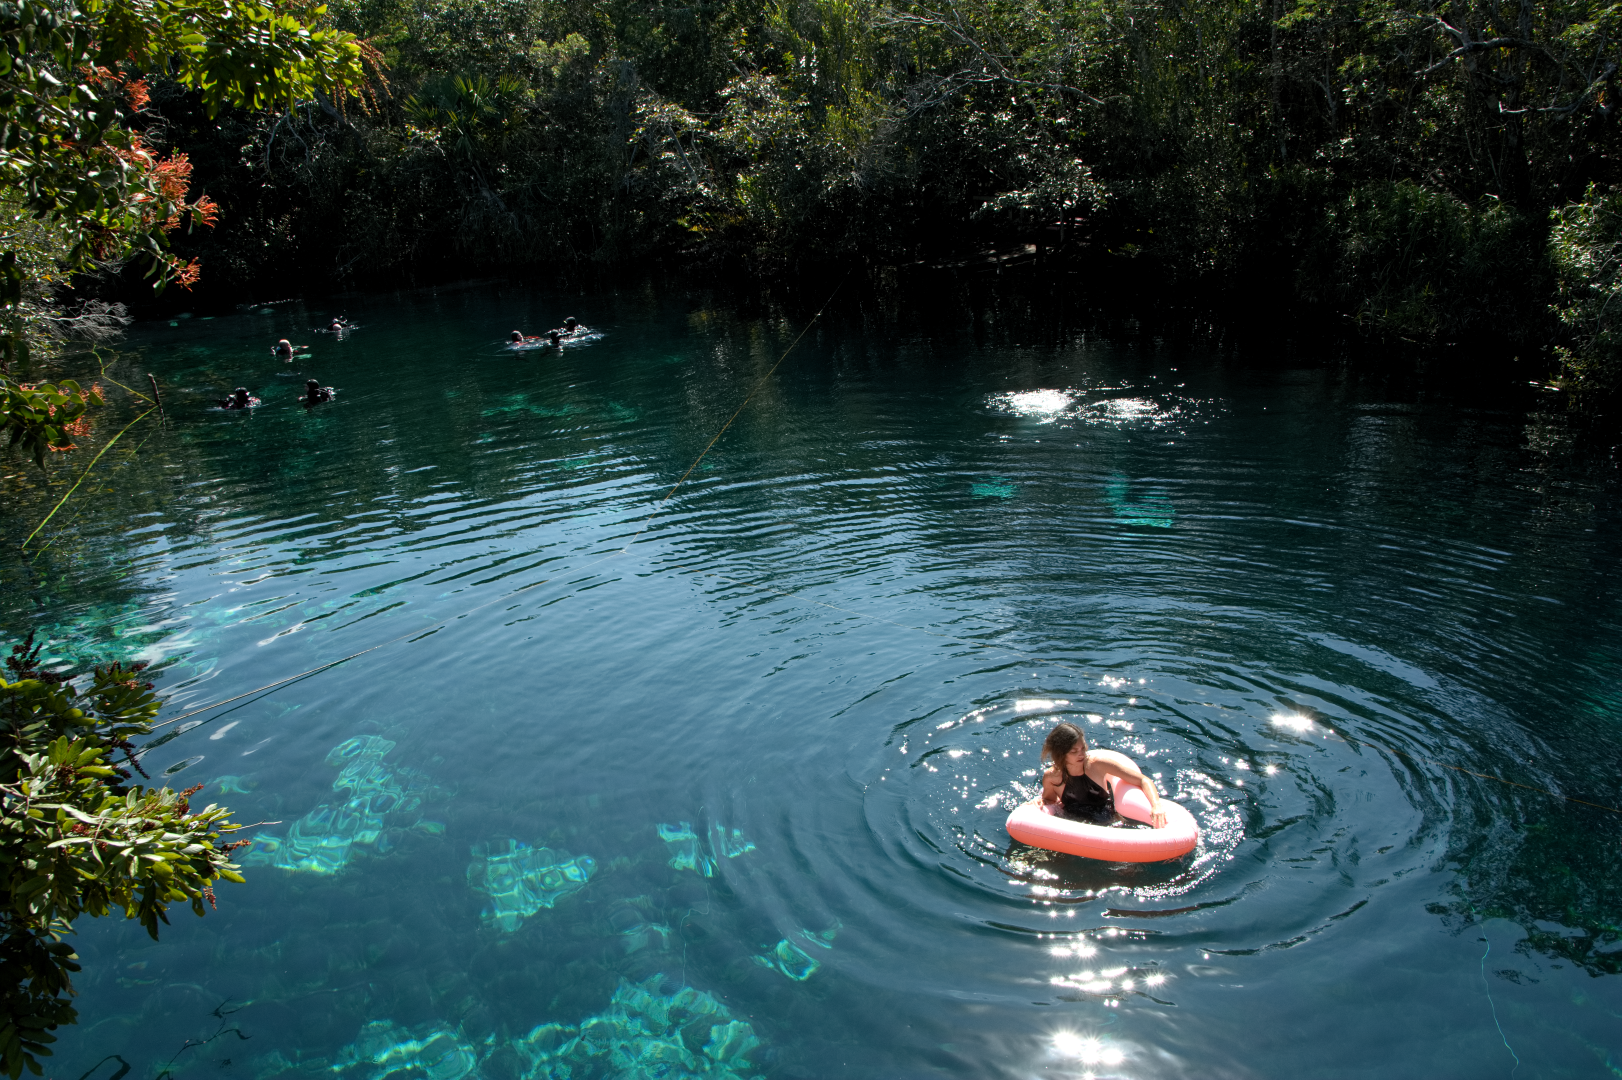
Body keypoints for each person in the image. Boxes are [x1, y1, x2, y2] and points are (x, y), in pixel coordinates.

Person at [1040, 720, 1166, 828]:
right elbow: (1049, 801)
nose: (1081, 754)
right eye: (1074, 751)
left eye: (1083, 748)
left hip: (1108, 823)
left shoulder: (1098, 765)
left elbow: (1143, 780)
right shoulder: (1052, 777)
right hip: (1072, 827)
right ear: (1061, 754)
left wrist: (1156, 805)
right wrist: (1040, 803)